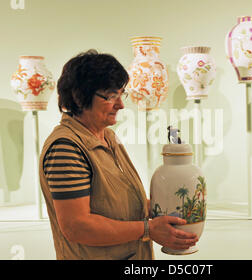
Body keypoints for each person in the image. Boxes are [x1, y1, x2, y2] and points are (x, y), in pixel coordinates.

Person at [39, 49, 198, 260]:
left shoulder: (108, 137)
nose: (121, 104)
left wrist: (162, 208)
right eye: (110, 96)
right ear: (79, 97)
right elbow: (78, 226)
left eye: (120, 94)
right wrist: (148, 229)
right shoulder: (66, 148)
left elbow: (114, 201)